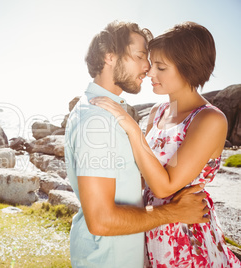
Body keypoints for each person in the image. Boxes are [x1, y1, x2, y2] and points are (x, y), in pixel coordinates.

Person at [90, 22, 241, 267]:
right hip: (153, 227)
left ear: (188, 69)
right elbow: (144, 173)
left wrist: (132, 128)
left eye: (161, 67)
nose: (150, 73)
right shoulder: (158, 112)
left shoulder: (209, 119)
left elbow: (165, 186)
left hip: (186, 238)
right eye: (152, 64)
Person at [65, 21, 210, 268]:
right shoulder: (98, 121)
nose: (147, 67)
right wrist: (174, 212)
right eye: (141, 56)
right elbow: (101, 220)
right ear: (109, 57)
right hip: (109, 258)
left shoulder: (105, 111)